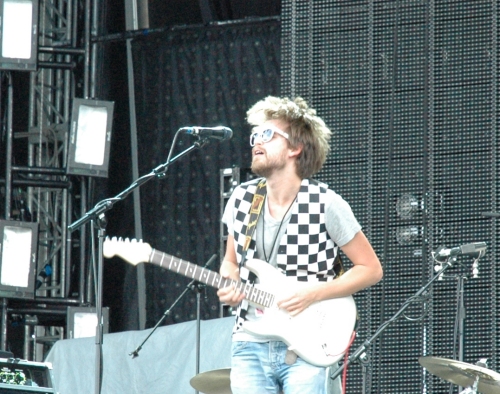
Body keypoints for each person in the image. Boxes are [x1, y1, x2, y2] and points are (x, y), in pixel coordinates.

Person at [217, 96, 383, 394]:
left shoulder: (326, 203)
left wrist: (313, 293)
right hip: (249, 340)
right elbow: (230, 261)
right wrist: (230, 282)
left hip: (306, 343)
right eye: (255, 135)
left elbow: (370, 269)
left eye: (267, 135)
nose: (256, 142)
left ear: (295, 148)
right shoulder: (241, 199)